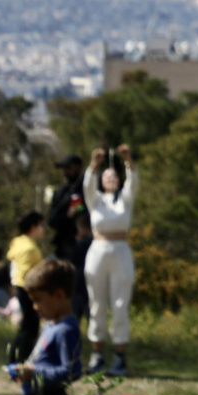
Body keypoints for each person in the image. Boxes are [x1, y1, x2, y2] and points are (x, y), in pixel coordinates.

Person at [81, 145, 139, 377]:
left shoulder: (125, 199)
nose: (111, 179)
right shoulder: (95, 201)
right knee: (97, 303)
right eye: (107, 176)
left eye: (114, 176)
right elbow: (87, 185)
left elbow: (134, 181)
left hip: (121, 250)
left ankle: (120, 355)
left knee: (120, 304)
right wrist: (95, 164)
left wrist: (127, 160)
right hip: (98, 250)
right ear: (102, 181)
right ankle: (96, 354)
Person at [9, 258, 81, 395]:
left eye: (38, 300)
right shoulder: (51, 323)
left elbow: (72, 371)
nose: (34, 307)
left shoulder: (65, 330)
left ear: (58, 296)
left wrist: (35, 372)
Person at [5, 212, 47, 364]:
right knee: (30, 327)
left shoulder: (18, 242)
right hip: (27, 289)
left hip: (21, 288)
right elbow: (26, 274)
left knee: (26, 326)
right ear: (33, 227)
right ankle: (22, 359)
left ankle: (15, 358)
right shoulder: (29, 248)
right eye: (41, 225)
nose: (43, 229)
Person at [46, 155, 85, 251]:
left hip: (86, 240)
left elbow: (82, 211)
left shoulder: (87, 189)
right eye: (64, 168)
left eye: (69, 168)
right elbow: (51, 220)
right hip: (65, 243)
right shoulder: (60, 192)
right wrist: (67, 215)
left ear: (79, 168)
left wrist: (79, 210)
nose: (66, 172)